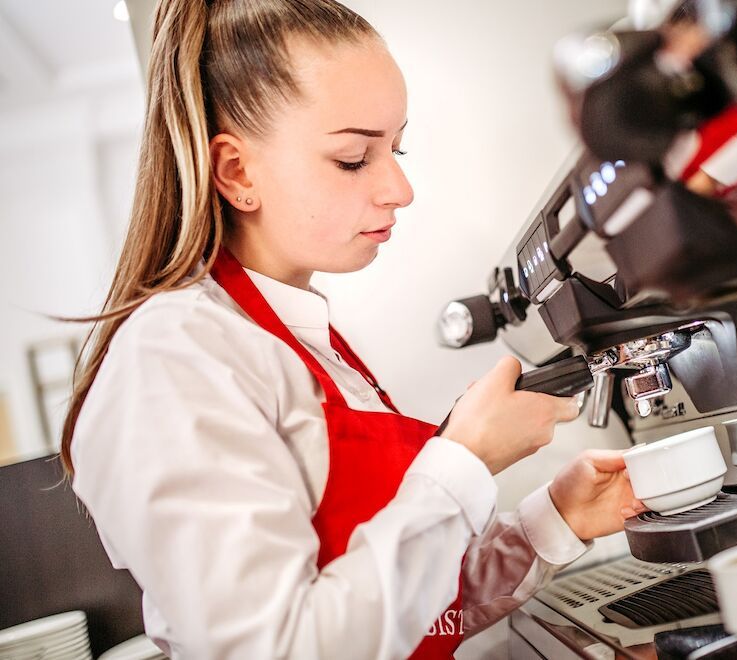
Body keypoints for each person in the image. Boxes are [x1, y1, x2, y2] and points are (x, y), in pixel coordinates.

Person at [60, 1, 645, 658]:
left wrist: (554, 520)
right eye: (352, 158)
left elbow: (413, 612)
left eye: (396, 148)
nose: (400, 187)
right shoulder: (176, 359)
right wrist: (465, 461)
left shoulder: (309, 340)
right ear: (237, 171)